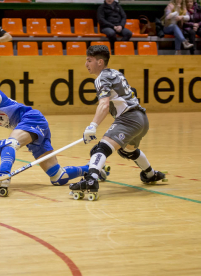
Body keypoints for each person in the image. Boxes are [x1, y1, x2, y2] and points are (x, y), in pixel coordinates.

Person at [69, 45, 166, 199]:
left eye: (89, 60)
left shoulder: (101, 78)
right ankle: (150, 174)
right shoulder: (115, 73)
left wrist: (92, 126)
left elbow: (104, 105)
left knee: (100, 149)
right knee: (127, 151)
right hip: (142, 120)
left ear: (100, 62)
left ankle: (91, 180)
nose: (86, 64)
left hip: (129, 119)